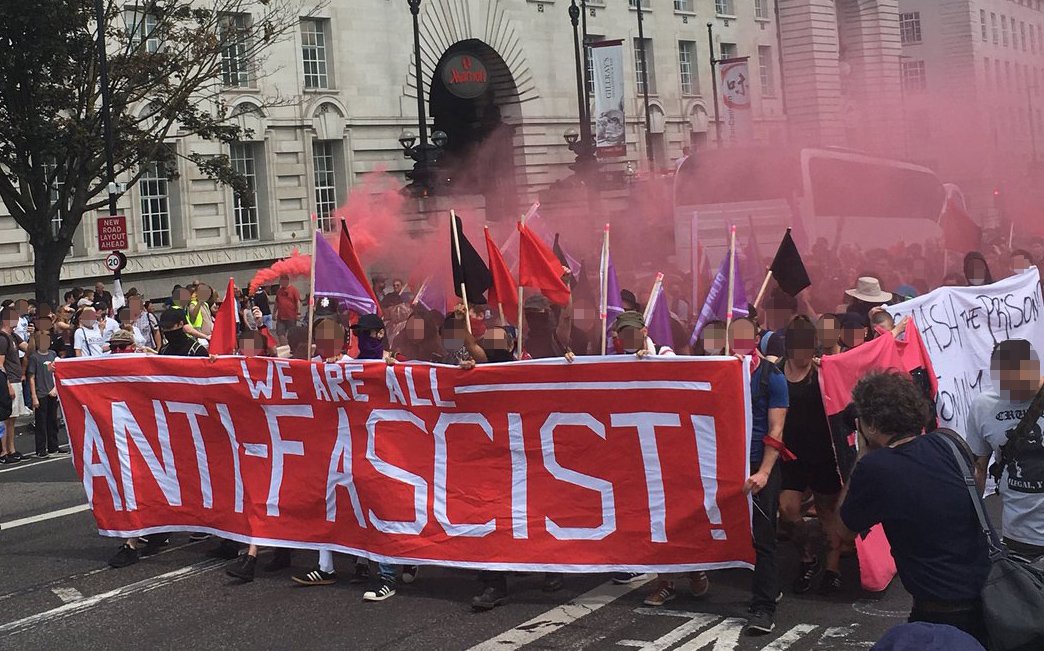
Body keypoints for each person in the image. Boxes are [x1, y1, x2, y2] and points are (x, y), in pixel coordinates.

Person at [839, 372, 989, 646]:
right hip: (988, 593)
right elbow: (975, 491)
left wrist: (862, 453)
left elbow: (843, 532)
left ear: (870, 425)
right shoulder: (948, 442)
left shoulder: (876, 468)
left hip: (937, 610)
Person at [777, 316, 844, 595]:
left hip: (822, 454)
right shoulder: (776, 371)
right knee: (788, 509)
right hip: (790, 454)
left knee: (828, 513)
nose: (806, 354)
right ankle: (807, 559)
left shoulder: (822, 372)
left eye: (810, 347)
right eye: (801, 348)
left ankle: (832, 570)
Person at [966, 339, 1044, 562]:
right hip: (1019, 537)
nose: (1015, 392)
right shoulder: (984, 406)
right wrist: (971, 519)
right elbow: (978, 468)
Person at [26, 332, 66, 458]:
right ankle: (41, 449)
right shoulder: (34, 357)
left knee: (53, 421)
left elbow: (56, 372)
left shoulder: (52, 354)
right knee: (41, 422)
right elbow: (31, 377)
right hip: (41, 393)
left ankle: (54, 446)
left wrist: (55, 388)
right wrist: (34, 396)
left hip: (52, 392)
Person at [274, 275, 301, 339]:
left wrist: (298, 313)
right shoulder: (279, 291)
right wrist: (274, 313)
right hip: (280, 317)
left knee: (292, 334)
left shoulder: (293, 290)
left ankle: (292, 346)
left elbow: (298, 302)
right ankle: (284, 347)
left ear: (287, 281)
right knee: (280, 333)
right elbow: (276, 302)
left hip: (291, 317)